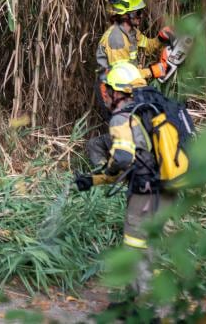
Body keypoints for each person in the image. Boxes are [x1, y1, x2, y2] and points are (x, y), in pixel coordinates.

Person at [76, 62, 174, 309]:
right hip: (164, 190)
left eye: (108, 89)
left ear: (117, 92)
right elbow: (135, 159)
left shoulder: (122, 118)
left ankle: (146, 308)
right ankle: (135, 300)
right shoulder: (146, 112)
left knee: (137, 247)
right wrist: (93, 180)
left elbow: (121, 158)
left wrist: (106, 170)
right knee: (142, 245)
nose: (105, 94)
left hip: (145, 193)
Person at [90, 0, 174, 166]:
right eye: (138, 12)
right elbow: (121, 75)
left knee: (138, 125)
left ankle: (130, 162)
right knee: (127, 127)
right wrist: (153, 71)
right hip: (112, 90)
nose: (141, 16)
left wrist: (160, 39)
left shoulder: (131, 32)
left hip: (127, 87)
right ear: (124, 14)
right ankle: (100, 153)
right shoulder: (116, 39)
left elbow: (148, 46)